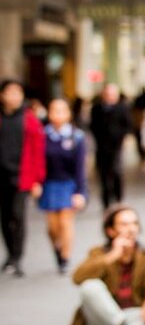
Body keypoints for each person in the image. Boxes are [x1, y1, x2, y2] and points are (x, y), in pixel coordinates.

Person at [0, 79, 45, 277]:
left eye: (17, 92)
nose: (13, 96)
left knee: (18, 216)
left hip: (21, 177)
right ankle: (9, 255)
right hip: (1, 176)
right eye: (9, 92)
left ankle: (17, 257)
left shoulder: (29, 120)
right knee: (4, 217)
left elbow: (38, 152)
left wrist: (37, 180)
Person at [40, 99, 88, 274]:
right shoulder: (43, 135)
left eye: (62, 110)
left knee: (65, 222)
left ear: (68, 114)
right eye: (54, 110)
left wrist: (80, 192)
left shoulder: (77, 137)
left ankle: (65, 258)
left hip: (69, 184)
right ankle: (58, 249)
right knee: (52, 227)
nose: (58, 114)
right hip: (49, 184)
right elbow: (37, 161)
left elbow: (80, 168)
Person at [89, 83, 131, 208]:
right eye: (108, 94)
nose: (110, 97)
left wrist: (121, 137)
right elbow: (93, 125)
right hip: (102, 147)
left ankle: (118, 199)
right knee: (103, 174)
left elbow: (127, 125)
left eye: (113, 94)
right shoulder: (97, 108)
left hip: (116, 146)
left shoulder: (122, 108)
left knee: (116, 172)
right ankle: (106, 201)